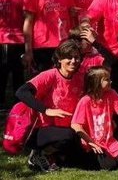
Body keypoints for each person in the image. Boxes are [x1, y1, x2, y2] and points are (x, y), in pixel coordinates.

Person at [16, 39, 85, 171]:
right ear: (59, 59)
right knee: (68, 136)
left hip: (70, 127)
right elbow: (21, 92)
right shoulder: (50, 75)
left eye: (76, 57)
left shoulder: (80, 77)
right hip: (43, 129)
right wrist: (46, 110)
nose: (73, 61)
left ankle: (55, 155)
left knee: (81, 158)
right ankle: (38, 153)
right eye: (68, 57)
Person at [71, 66, 118, 170]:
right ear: (96, 82)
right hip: (94, 143)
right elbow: (75, 124)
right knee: (111, 166)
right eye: (107, 80)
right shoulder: (85, 101)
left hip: (109, 140)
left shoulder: (111, 93)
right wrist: (90, 142)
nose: (111, 81)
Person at [0, 0, 24, 108]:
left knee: (2, 71)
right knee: (18, 72)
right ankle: (18, 100)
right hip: (17, 39)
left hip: (2, 39)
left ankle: (1, 100)